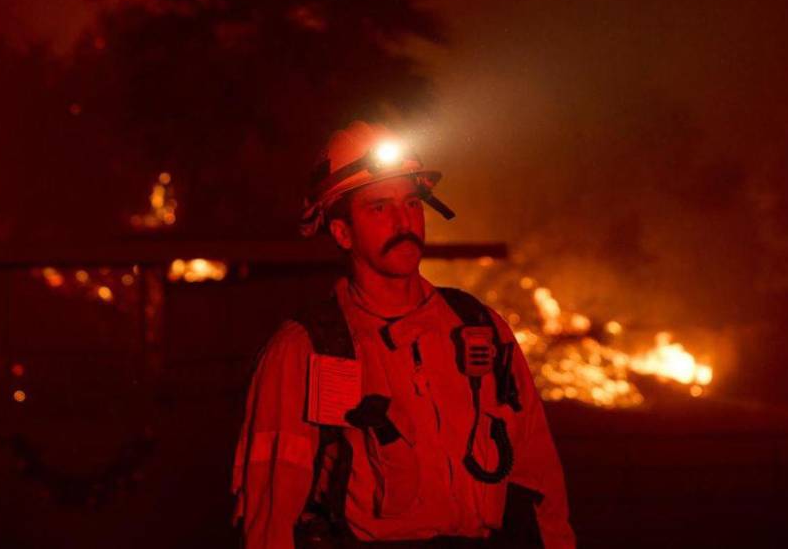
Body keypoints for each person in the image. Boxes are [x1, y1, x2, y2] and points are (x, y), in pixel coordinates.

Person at [232, 121, 575, 548]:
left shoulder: (479, 328)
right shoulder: (306, 350)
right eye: (379, 208)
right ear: (342, 232)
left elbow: (539, 475)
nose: (404, 222)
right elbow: (270, 514)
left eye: (412, 203)